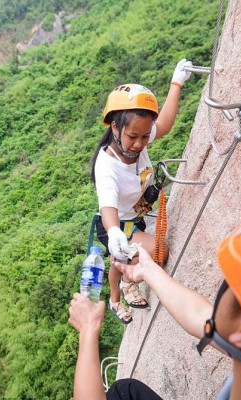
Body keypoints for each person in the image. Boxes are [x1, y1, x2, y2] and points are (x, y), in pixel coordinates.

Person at [69, 209, 241, 400]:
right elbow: (198, 314)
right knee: (124, 391)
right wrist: (148, 271)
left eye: (230, 286)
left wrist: (88, 328)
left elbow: (203, 317)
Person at [90, 59, 192, 324]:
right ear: (114, 127)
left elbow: (166, 124)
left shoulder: (139, 136)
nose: (139, 144)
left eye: (145, 137)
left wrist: (176, 83)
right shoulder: (107, 166)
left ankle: (123, 283)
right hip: (117, 223)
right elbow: (108, 206)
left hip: (134, 218)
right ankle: (116, 296)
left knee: (124, 258)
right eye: (133, 136)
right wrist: (113, 232)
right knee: (153, 253)